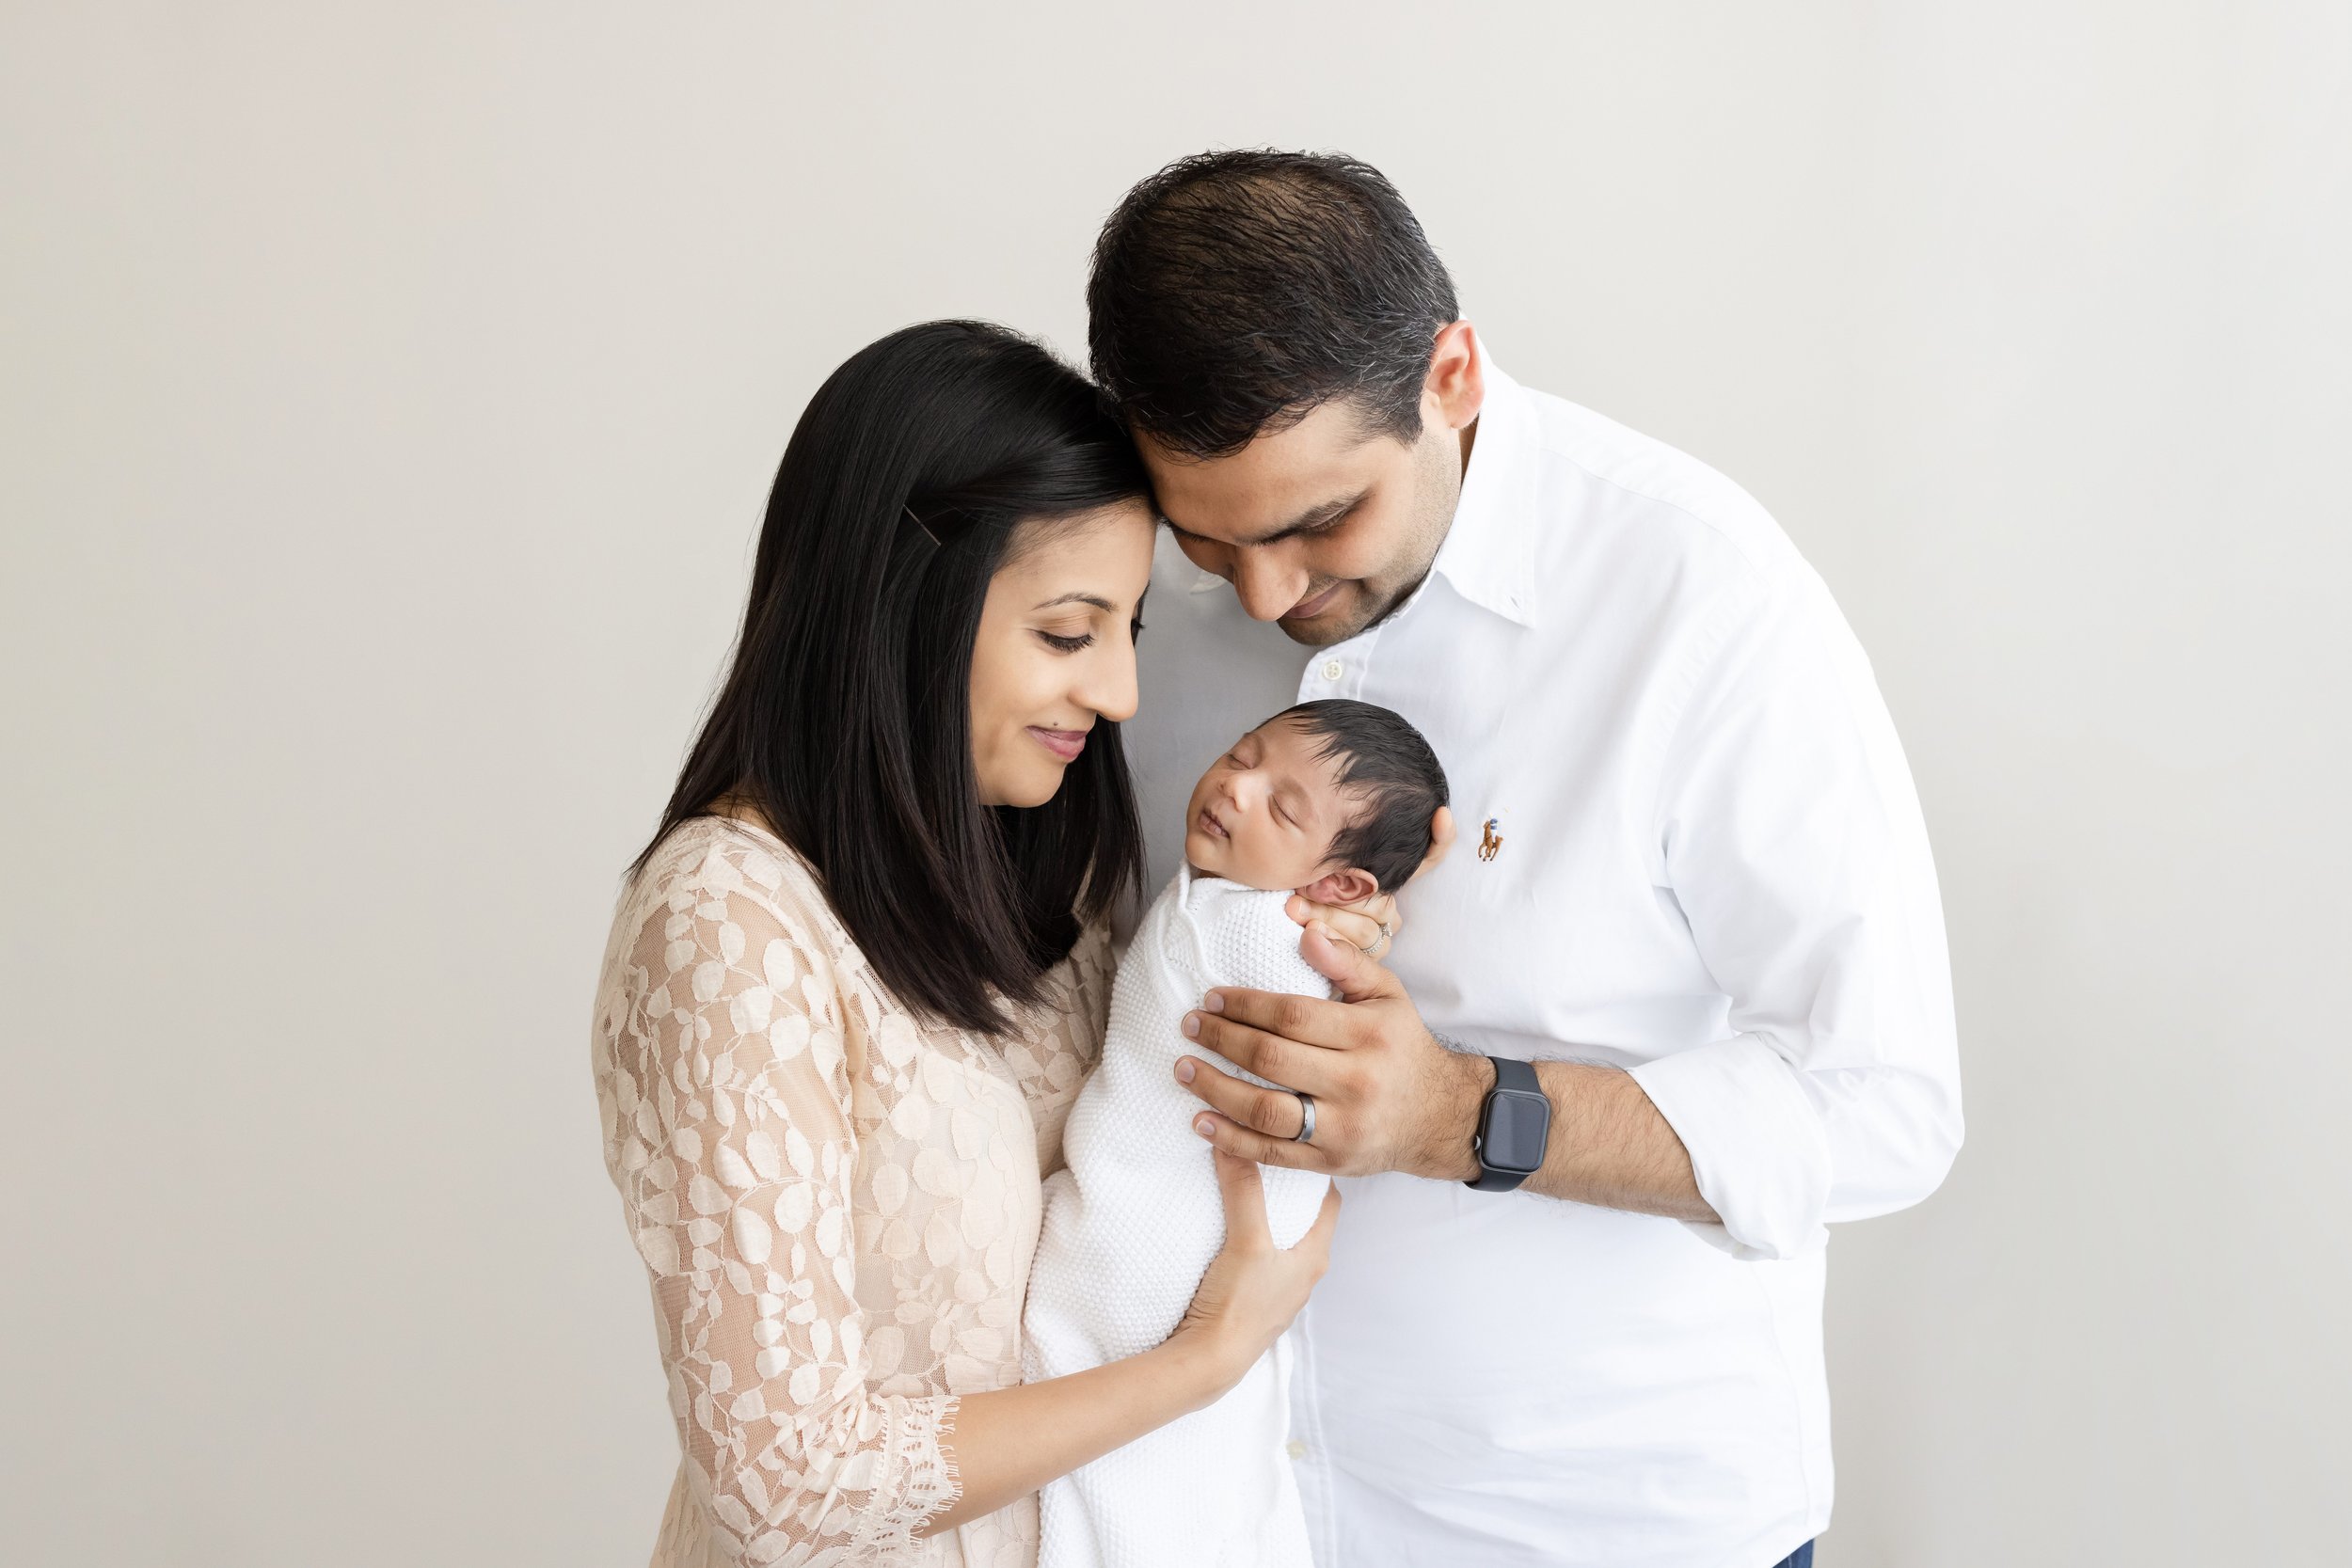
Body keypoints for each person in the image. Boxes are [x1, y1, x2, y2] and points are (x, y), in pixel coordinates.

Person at [1097, 150, 1964, 1568]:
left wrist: (1461, 1114)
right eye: (1212, 535)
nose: (1264, 594)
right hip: (1221, 1509)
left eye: (1322, 521)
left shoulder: (1704, 600)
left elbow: (1883, 1099)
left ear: (1451, 376)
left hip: (1600, 1525)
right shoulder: (1142, 598)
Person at [590, 320, 1382, 1568]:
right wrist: (1204, 1359)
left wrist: (1319, 937)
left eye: (1129, 633)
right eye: (1069, 633)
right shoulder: (729, 922)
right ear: (908, 602)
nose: (1118, 692)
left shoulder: (1032, 878)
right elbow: (786, 1484)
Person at [1024, 700, 1449, 1568]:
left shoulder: (1254, 932)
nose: (1234, 785)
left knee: (1134, 1466)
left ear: (1342, 886)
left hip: (1149, 1252)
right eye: (1240, 754)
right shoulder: (1249, 909)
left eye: (1283, 807)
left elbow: (1307, 999)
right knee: (1200, 1482)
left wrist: (1329, 930)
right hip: (1200, 1249)